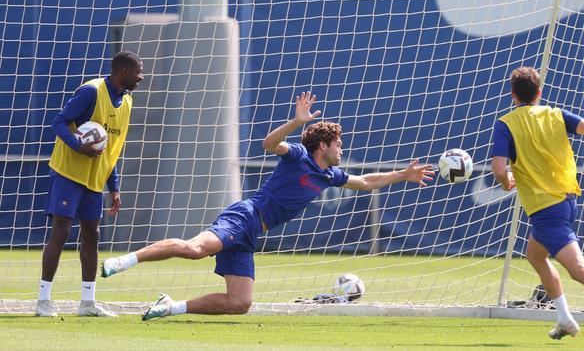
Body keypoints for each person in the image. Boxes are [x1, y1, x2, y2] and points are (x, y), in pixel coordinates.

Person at [101, 91, 435, 321]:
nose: (342, 149)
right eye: (338, 144)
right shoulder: (300, 156)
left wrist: (402, 174)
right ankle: (123, 261)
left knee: (240, 303)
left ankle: (170, 307)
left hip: (252, 233)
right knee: (194, 249)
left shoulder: (329, 174)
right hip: (245, 215)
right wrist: (296, 121)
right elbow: (269, 144)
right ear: (322, 145)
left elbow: (365, 182)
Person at [491, 67, 584, 340]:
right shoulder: (555, 114)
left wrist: (505, 182)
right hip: (567, 200)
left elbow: (499, 169)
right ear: (539, 93)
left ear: (513, 95)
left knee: (577, 268)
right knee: (535, 256)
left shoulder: (506, 123)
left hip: (546, 208)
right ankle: (564, 318)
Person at [36, 51, 144, 317]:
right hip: (69, 172)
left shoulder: (127, 103)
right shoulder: (91, 91)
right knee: (61, 231)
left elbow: (112, 149)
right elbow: (58, 122)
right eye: (139, 72)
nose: (142, 78)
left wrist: (114, 186)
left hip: (95, 180)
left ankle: (87, 302)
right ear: (124, 72)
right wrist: (78, 146)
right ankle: (43, 300)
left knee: (92, 235)